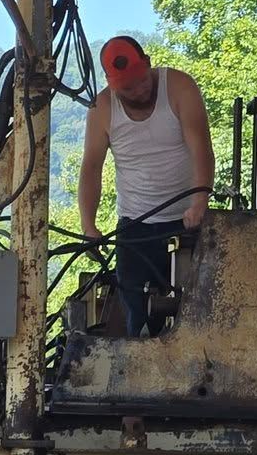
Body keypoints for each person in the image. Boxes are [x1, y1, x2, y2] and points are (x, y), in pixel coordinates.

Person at [78, 35, 215, 338]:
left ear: (149, 64)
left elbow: (201, 146)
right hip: (135, 225)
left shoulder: (179, 87)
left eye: (142, 81)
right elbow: (91, 168)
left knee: (196, 310)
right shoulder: (102, 107)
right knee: (137, 315)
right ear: (112, 85)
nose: (139, 91)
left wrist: (200, 201)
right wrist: (89, 226)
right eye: (128, 87)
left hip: (186, 222)